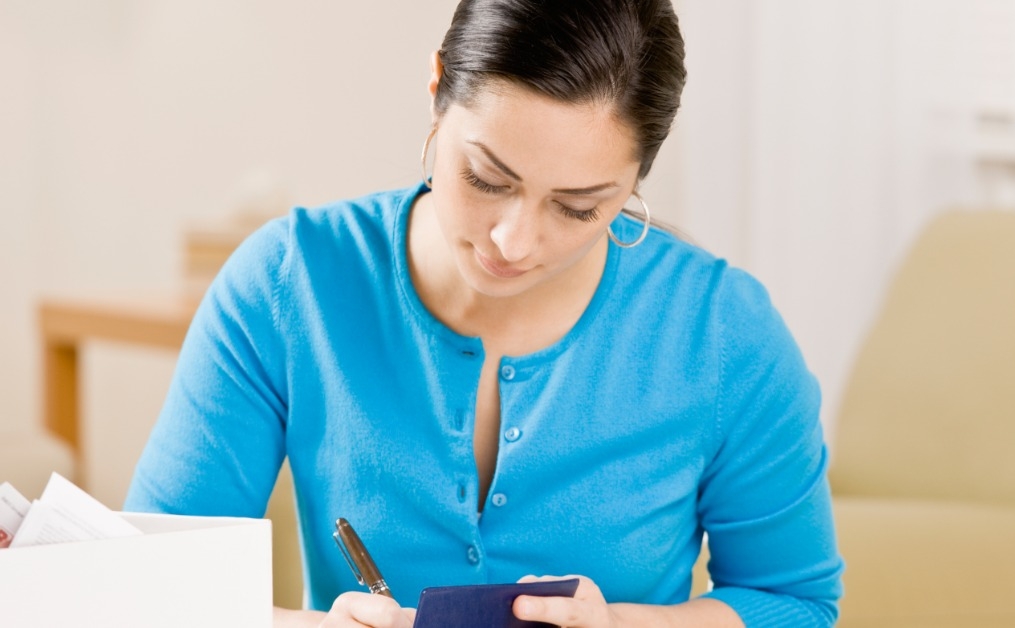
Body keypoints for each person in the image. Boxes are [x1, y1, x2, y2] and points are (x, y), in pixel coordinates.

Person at [125, 1, 844, 626]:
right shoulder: (292, 281)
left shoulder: (722, 332)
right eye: (485, 178)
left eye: (579, 207)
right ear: (437, 89)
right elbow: (151, 582)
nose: (514, 241)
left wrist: (623, 624)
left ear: (636, 177)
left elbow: (792, 601)